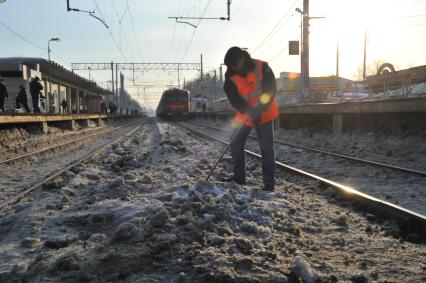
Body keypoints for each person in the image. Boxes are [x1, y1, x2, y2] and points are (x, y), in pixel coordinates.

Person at [223, 46, 279, 192]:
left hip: (264, 113)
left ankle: (269, 183)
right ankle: (239, 177)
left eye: (235, 64)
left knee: (266, 149)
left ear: (242, 58)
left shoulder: (262, 67)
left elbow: (270, 89)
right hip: (244, 115)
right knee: (235, 142)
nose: (233, 68)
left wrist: (260, 107)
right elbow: (233, 98)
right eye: (231, 66)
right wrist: (247, 110)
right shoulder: (230, 75)